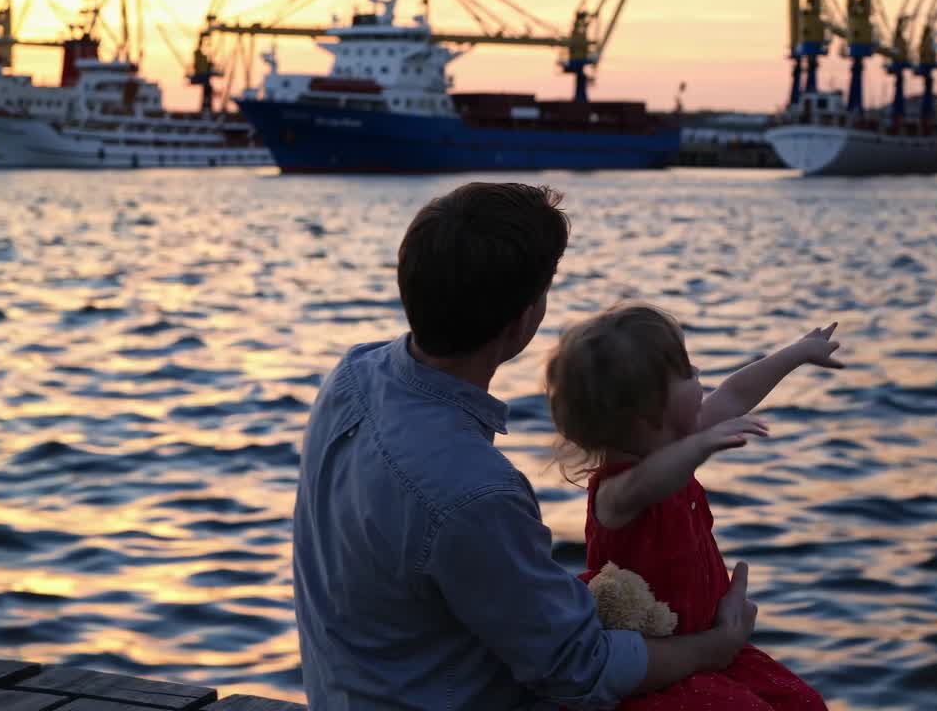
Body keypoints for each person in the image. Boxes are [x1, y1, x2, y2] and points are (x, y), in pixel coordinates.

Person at [294, 183, 759, 710]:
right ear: (521, 322)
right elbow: (581, 669)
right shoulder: (474, 493)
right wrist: (716, 646)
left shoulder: (351, 377)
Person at [545, 303, 840, 710]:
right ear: (647, 412)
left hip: (711, 649)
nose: (700, 374)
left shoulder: (673, 442)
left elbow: (735, 392)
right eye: (687, 373)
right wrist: (699, 446)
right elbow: (656, 479)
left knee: (804, 703)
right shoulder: (617, 492)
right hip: (662, 672)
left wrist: (798, 353)